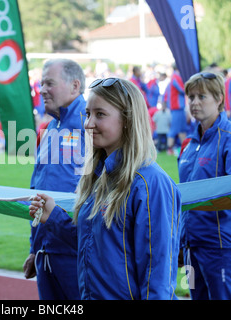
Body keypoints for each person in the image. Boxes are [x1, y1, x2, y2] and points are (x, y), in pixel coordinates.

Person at [29, 77, 181, 300]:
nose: (89, 124)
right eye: (88, 114)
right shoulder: (98, 176)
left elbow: (157, 272)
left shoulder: (149, 183)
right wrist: (54, 219)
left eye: (100, 114)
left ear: (127, 119)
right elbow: (96, 246)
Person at [178, 72, 231, 300]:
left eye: (202, 96)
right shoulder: (189, 143)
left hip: (221, 244)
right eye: (191, 97)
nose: (195, 102)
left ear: (219, 99)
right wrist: (182, 238)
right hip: (190, 244)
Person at [23, 59, 86, 300]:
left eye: (49, 83)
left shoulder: (93, 125)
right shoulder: (49, 130)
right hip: (47, 252)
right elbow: (36, 192)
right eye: (41, 84)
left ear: (74, 86)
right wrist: (34, 248)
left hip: (78, 252)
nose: (41, 90)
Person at [166, 64, 187, 155]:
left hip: (180, 107)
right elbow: (182, 89)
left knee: (182, 128)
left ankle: (185, 148)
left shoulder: (176, 76)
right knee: (174, 129)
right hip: (176, 107)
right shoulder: (175, 76)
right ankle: (169, 149)